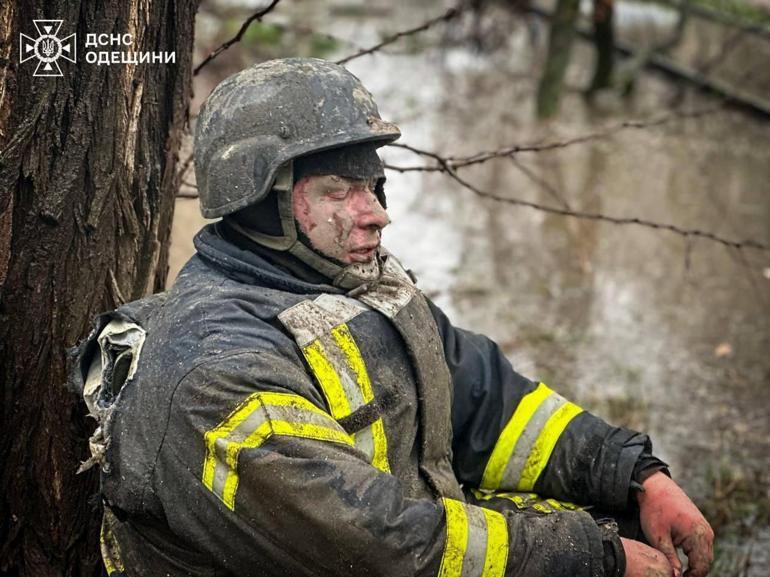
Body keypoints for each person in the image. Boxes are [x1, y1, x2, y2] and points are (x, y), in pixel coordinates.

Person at [73, 58, 713, 577]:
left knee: (624, 526)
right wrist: (588, 558)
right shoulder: (218, 369)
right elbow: (370, 545)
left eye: (373, 186)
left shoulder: (358, 286)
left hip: (403, 542)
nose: (376, 213)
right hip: (364, 557)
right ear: (260, 205)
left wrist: (634, 476)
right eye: (337, 191)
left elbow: (491, 408)